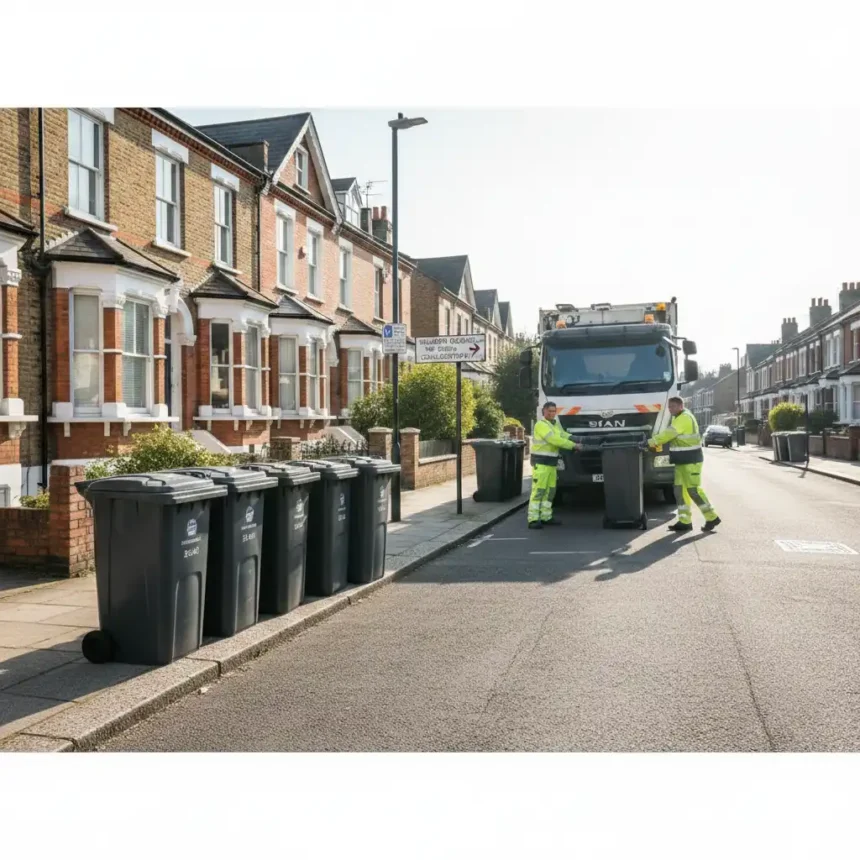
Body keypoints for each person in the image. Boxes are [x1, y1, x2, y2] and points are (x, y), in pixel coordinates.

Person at [647, 396, 721, 532]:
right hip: (681, 461)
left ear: (681, 406)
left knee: (693, 490)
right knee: (679, 491)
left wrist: (650, 442)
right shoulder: (677, 417)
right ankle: (684, 521)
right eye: (669, 407)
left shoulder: (684, 418)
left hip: (691, 461)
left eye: (673, 407)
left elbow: (668, 434)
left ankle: (712, 517)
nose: (670, 409)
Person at [528, 401, 577, 529]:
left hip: (551, 464)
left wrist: (575, 438)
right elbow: (555, 440)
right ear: (543, 411)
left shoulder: (554, 425)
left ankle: (546, 517)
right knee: (539, 491)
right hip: (541, 463)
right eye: (549, 411)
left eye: (554, 411)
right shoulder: (541, 424)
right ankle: (533, 519)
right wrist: (573, 445)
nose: (551, 413)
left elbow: (563, 435)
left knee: (550, 492)